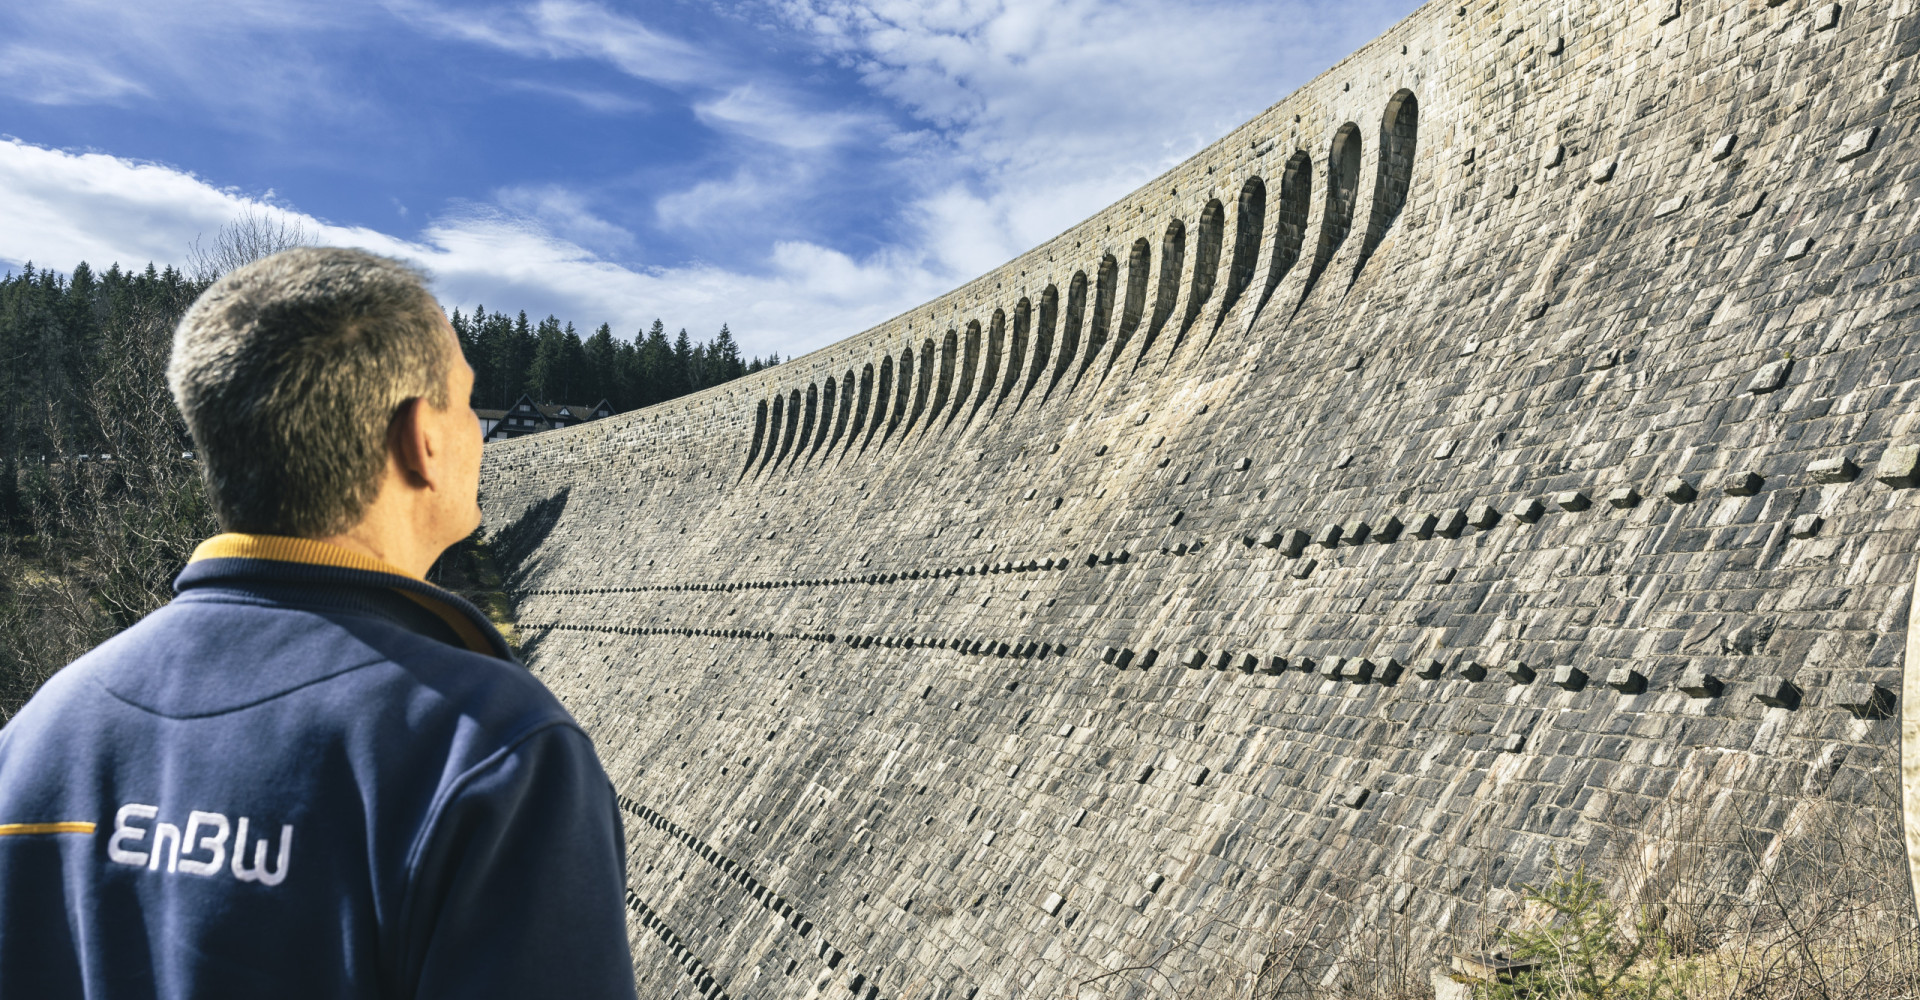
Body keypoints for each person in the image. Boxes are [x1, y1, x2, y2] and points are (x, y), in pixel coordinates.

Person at [0, 248, 637, 998]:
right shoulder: (488, 752)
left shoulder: (36, 740)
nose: (477, 431)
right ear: (420, 440)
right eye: (466, 401)